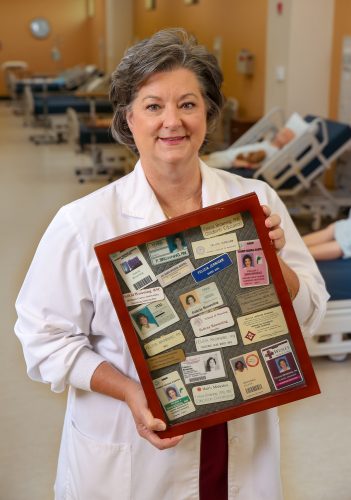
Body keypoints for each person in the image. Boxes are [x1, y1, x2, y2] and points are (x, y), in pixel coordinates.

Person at [14, 28, 328, 500]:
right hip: (134, 454)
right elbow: (43, 340)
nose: (172, 122)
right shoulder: (84, 222)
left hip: (238, 438)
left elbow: (311, 311)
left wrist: (272, 261)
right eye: (153, 105)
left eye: (188, 104)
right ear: (128, 117)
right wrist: (128, 391)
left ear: (208, 113)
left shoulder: (254, 201)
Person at [203, 126, 295, 170]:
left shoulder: (275, 153)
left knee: (202, 167)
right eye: (283, 131)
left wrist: (244, 164)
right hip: (228, 153)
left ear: (288, 143)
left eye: (286, 135)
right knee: (204, 158)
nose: (283, 133)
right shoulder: (267, 142)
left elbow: (261, 166)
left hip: (231, 161)